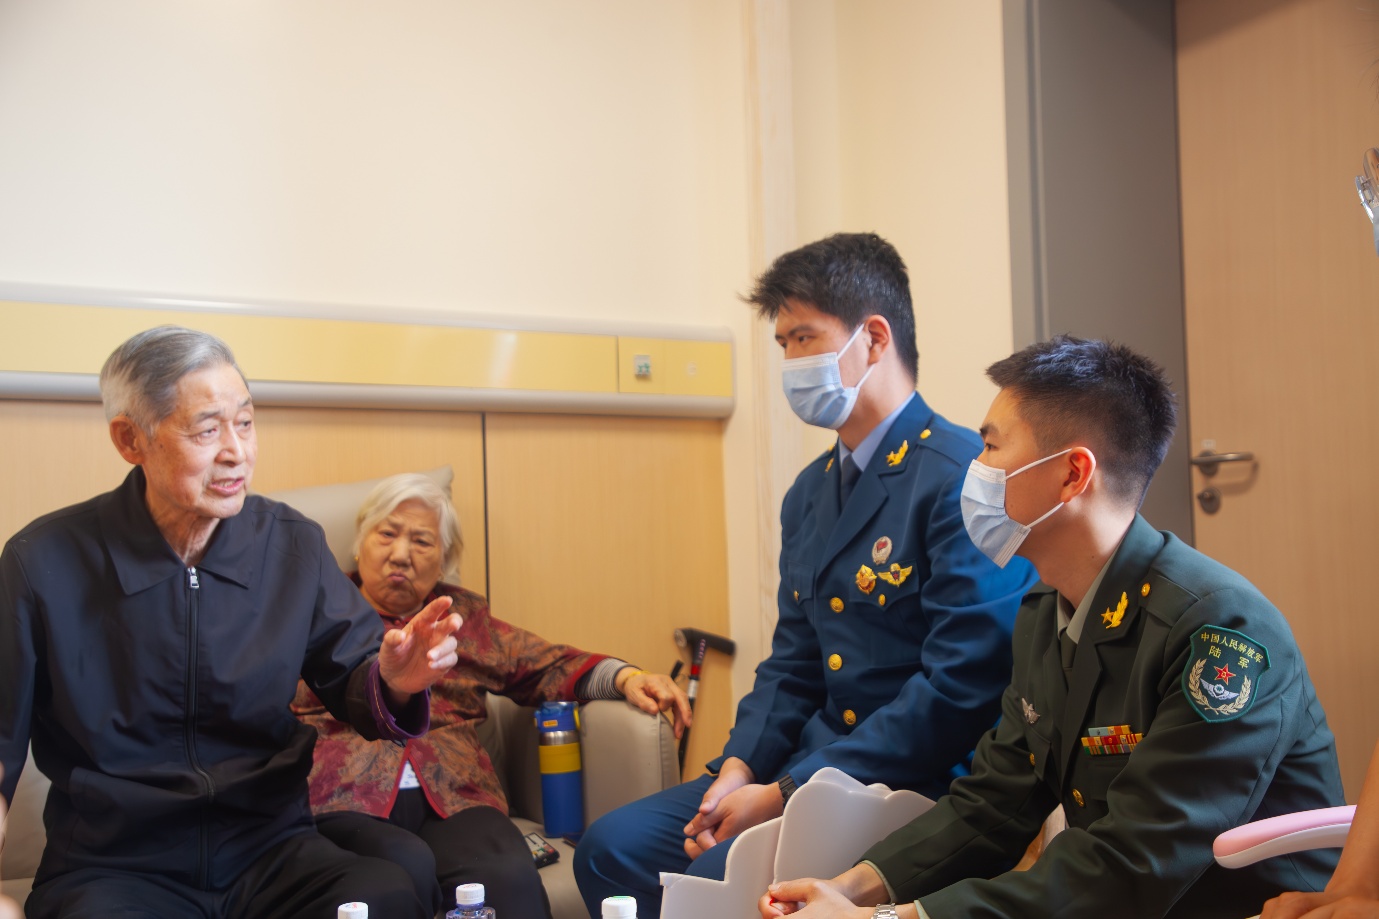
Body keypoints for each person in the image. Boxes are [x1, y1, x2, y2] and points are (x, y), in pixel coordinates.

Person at [759, 336, 1345, 919]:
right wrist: (852, 889)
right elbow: (994, 802)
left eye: (991, 446)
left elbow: (1131, 865)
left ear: (1071, 475)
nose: (974, 469)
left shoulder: (1220, 632)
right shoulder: (1047, 612)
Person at [574, 232, 1038, 917]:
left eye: (804, 338)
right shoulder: (809, 493)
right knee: (610, 849)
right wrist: (738, 767)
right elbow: (792, 662)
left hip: (915, 777)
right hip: (810, 766)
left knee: (721, 873)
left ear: (873, 339)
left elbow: (959, 689)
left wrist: (783, 791)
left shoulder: (958, 477)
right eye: (782, 344)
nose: (791, 361)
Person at [0, 326, 464, 919]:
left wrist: (396, 679)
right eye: (207, 430)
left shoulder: (290, 545)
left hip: (269, 850)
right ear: (130, 439)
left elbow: (356, 675)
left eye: (245, 423)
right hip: (115, 867)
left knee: (386, 897)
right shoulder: (43, 563)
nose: (236, 451)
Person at [292, 472, 692, 917]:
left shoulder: (464, 619)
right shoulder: (322, 613)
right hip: (347, 799)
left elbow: (544, 663)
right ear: (359, 544)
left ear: (443, 563)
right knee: (399, 872)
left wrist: (625, 677)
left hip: (457, 795)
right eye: (387, 534)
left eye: (422, 542)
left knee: (507, 876)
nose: (401, 554)